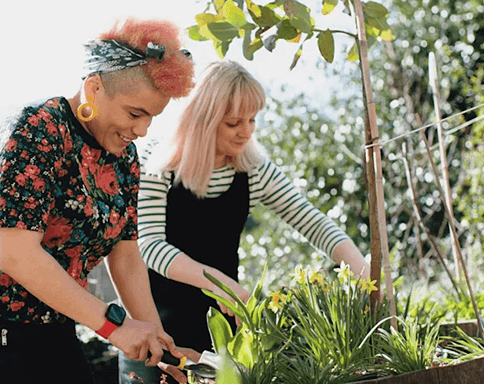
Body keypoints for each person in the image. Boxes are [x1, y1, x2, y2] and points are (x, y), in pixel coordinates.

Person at [0, 16, 198, 384]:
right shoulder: (33, 130)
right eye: (135, 113)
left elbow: (126, 257)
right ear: (93, 88)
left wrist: (158, 340)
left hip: (54, 325)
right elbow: (17, 255)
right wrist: (114, 327)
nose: (142, 130)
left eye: (152, 118)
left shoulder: (125, 158)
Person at [120, 60, 372, 383]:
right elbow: (150, 246)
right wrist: (221, 285)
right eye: (234, 122)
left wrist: (365, 276)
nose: (247, 131)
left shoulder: (252, 169)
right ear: (204, 121)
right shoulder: (159, 163)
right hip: (151, 329)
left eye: (252, 119)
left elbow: (316, 225)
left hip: (221, 337)